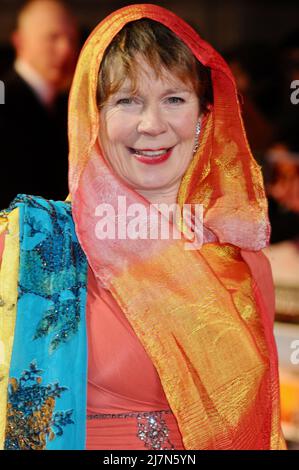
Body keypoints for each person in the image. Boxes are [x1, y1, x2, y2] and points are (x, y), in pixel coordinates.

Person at [0, 4, 286, 450]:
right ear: (93, 117)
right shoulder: (34, 245)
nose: (151, 125)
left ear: (203, 116)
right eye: (126, 100)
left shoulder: (244, 263)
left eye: (174, 99)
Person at [0, 0, 78, 208]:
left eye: (72, 39)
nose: (66, 49)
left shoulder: (63, 105)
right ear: (20, 42)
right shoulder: (4, 102)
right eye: (53, 37)